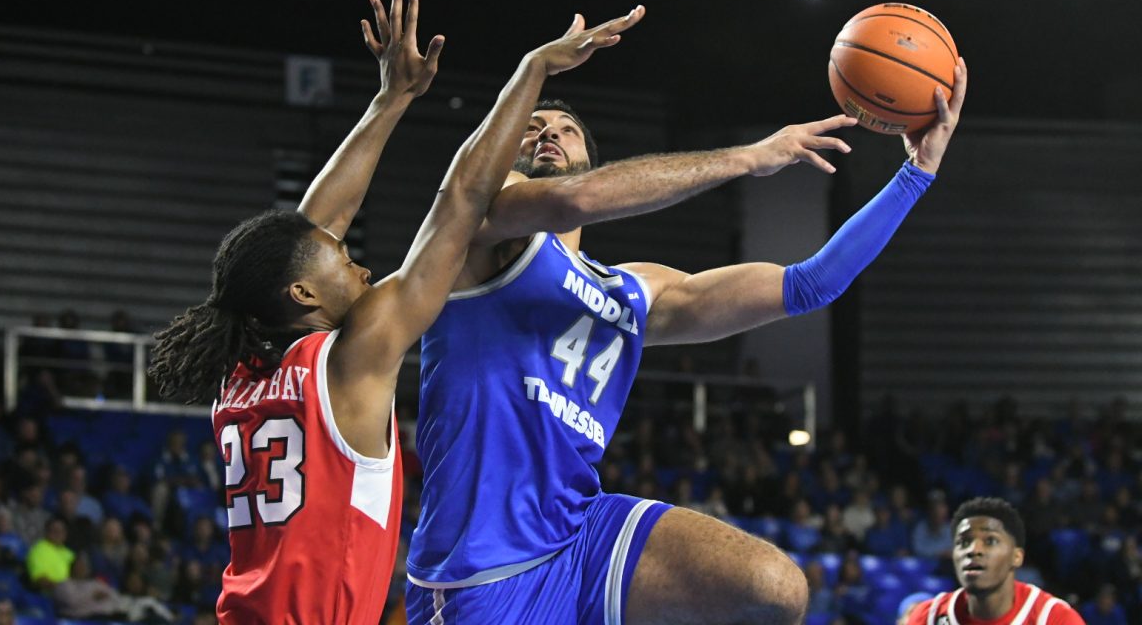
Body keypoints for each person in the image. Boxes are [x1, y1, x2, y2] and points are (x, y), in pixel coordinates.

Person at [147, 0, 644, 624]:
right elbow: (460, 203)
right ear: (301, 294)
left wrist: (392, 99)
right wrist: (535, 69)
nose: (359, 264)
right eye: (346, 263)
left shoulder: (240, 372)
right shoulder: (351, 358)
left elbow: (306, 237)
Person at [405, 60, 968, 625]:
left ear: (588, 156)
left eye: (566, 128)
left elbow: (813, 281)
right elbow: (573, 200)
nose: (548, 131)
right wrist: (748, 157)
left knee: (774, 588)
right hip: (482, 560)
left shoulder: (637, 289)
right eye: (532, 126)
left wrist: (917, 171)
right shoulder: (479, 230)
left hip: (581, 529)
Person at [905, 496, 1085, 625]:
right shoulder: (928, 618)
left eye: (990, 541)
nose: (974, 550)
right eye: (964, 542)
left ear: (1017, 557)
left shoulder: (1054, 618)